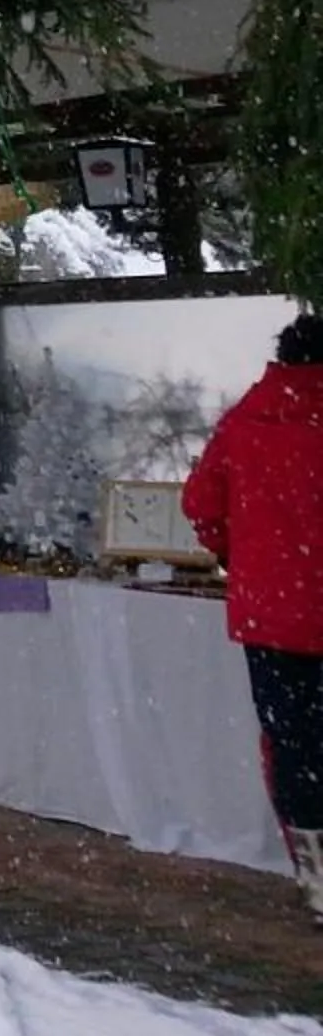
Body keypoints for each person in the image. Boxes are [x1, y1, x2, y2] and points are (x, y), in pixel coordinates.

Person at [184, 311, 323, 927]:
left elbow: (200, 502)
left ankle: (317, 876)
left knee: (294, 747)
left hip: (271, 620)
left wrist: (238, 555)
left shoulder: (247, 418)